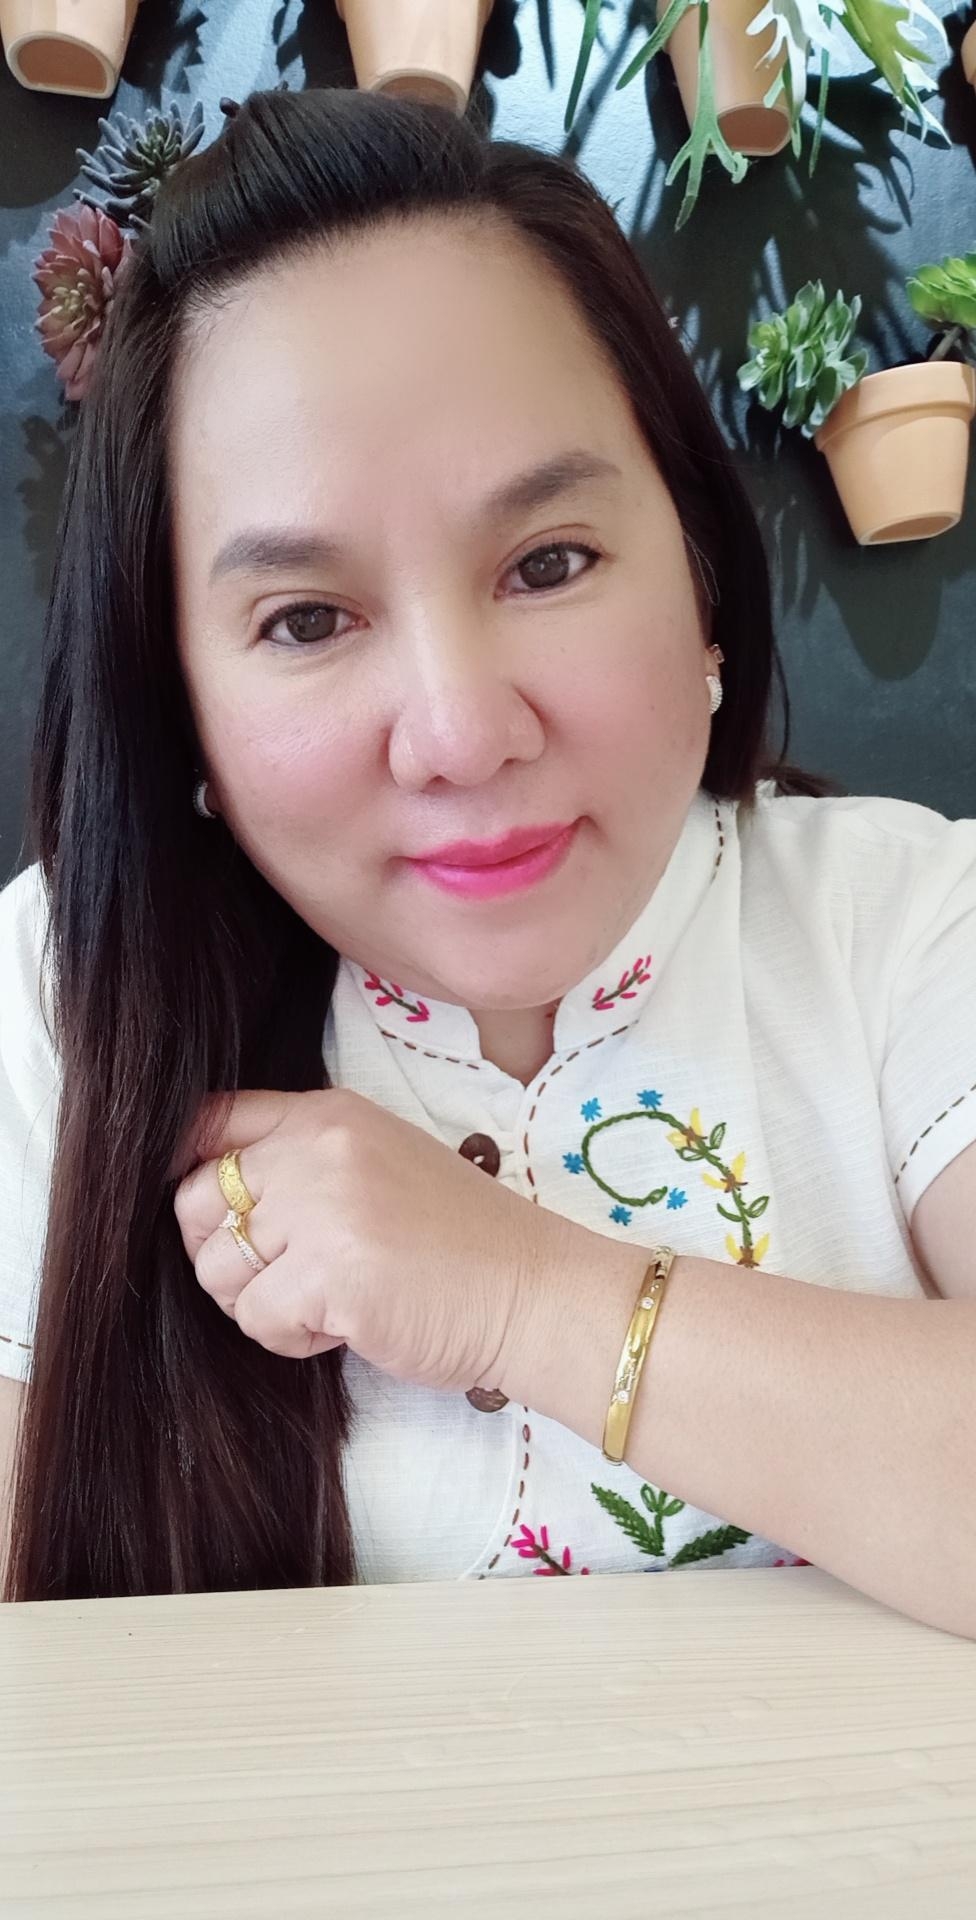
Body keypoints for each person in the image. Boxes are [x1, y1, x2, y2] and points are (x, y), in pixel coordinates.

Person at [1, 88, 973, 1630]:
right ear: (174, 696)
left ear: (699, 573)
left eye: (549, 563)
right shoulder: (56, 995)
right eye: (305, 620)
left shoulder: (909, 921)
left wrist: (519, 1290)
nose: (460, 734)